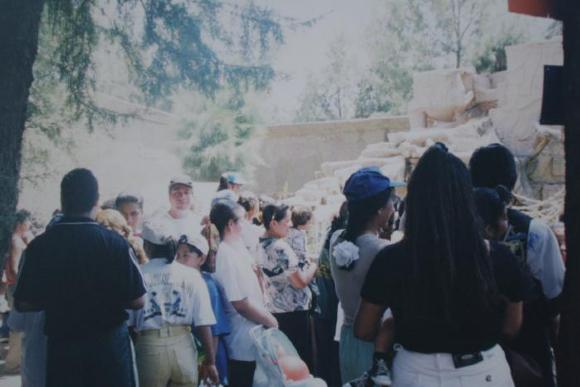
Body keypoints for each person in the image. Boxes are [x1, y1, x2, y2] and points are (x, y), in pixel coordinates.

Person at [355, 144, 531, 387]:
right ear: (466, 196)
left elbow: (364, 329)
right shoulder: (498, 256)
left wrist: (395, 327)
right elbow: (511, 327)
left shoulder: (391, 259)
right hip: (486, 372)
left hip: (416, 373)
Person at [14, 168, 146, 387]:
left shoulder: (40, 246)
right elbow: (138, 300)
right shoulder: (116, 245)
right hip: (109, 347)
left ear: (63, 200)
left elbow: (22, 302)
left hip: (64, 346)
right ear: (96, 200)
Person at [470, 143, 565, 387]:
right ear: (512, 182)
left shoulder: (455, 234)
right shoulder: (536, 232)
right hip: (529, 349)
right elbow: (554, 299)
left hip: (472, 352)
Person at [328, 167, 399, 384]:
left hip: (348, 339)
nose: (394, 207)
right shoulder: (382, 250)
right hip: (376, 341)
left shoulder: (337, 239)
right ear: (379, 209)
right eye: (391, 202)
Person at [133, 221, 218, 387]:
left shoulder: (138, 274)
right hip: (183, 344)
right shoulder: (191, 275)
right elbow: (204, 323)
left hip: (149, 346)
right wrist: (211, 361)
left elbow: (129, 323)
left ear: (148, 247)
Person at [211, 201, 278, 387]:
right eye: (242, 220)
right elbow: (239, 303)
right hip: (242, 342)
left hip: (253, 337)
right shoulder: (225, 254)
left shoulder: (237, 248)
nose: (246, 225)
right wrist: (270, 320)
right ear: (230, 225)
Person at [259, 203, 318, 370]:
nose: (290, 225)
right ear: (273, 224)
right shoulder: (280, 248)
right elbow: (300, 282)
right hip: (294, 312)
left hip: (276, 310)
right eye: (286, 221)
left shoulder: (261, 243)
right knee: (300, 363)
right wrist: (314, 265)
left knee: (285, 364)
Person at [176, 233, 231, 386]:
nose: (179, 261)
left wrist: (209, 362)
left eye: (185, 256)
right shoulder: (182, 281)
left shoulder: (207, 285)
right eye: (177, 255)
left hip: (209, 353)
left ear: (201, 259)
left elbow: (214, 329)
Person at [312, 201, 348, 387]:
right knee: (333, 363)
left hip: (323, 307)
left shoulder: (333, 235)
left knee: (326, 361)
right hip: (331, 309)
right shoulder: (342, 239)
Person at [3, 209, 32, 374]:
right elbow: (14, 269)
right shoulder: (16, 241)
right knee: (17, 329)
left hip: (15, 288)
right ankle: (13, 363)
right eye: (27, 223)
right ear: (21, 224)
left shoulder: (17, 240)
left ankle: (14, 361)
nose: (29, 226)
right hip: (17, 288)